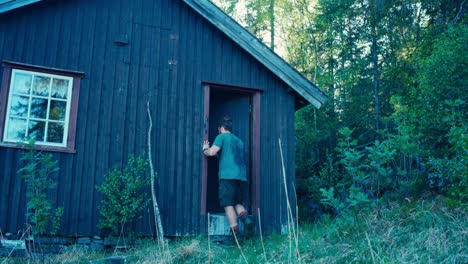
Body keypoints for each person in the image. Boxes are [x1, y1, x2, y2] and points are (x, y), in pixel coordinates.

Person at [203, 116, 253, 238]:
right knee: (237, 202)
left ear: (221, 128)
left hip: (227, 176)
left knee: (228, 204)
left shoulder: (221, 137)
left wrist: (205, 149)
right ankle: (246, 219)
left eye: (219, 129)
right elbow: (225, 156)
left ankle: (235, 235)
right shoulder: (238, 141)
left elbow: (211, 152)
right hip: (240, 176)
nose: (218, 131)